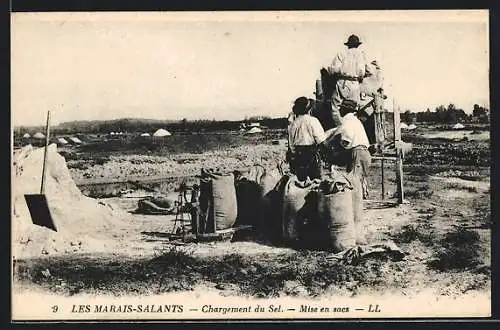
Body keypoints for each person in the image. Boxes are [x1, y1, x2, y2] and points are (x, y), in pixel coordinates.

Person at [336, 99, 371, 244]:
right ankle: (358, 226)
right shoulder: (356, 120)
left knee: (354, 189)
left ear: (344, 110)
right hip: (364, 153)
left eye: (341, 109)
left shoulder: (347, 120)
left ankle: (357, 231)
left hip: (357, 153)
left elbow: (346, 139)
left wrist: (336, 147)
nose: (339, 111)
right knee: (359, 187)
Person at [327, 34, 372, 128]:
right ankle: (351, 129)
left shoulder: (342, 53)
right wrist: (360, 75)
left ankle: (341, 128)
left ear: (348, 45)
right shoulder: (362, 54)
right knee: (353, 108)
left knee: (335, 108)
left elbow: (333, 70)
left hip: (342, 82)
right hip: (355, 83)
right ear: (358, 45)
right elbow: (369, 71)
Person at [287, 97, 327, 181]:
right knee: (315, 182)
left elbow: (291, 145)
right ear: (309, 109)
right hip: (311, 155)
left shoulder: (293, 124)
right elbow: (321, 140)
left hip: (299, 156)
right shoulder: (313, 121)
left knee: (301, 182)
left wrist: (295, 154)